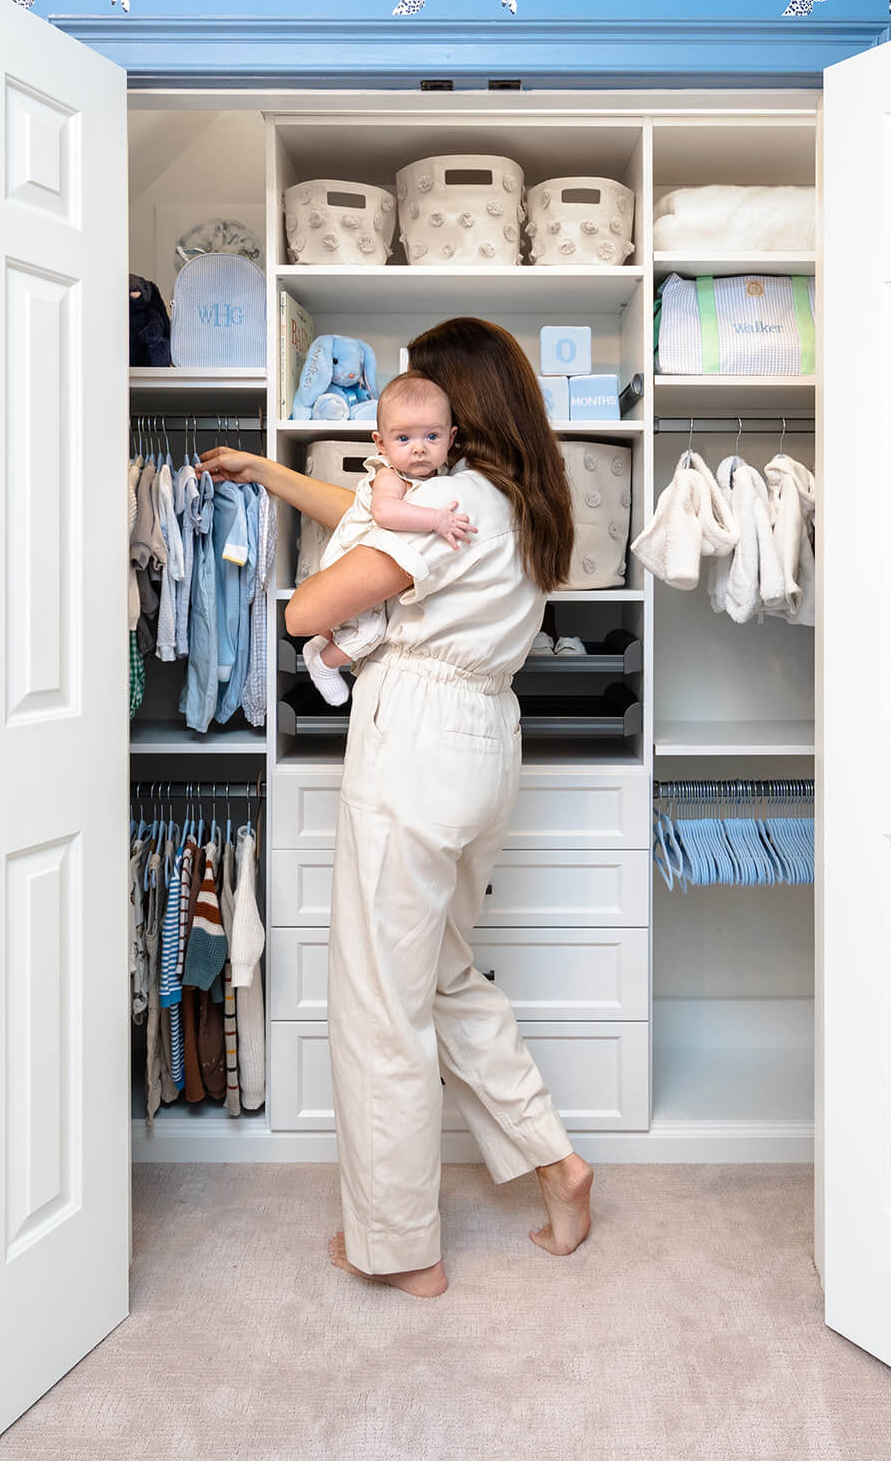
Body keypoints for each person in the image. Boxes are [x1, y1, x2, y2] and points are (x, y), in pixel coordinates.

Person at [198, 316, 594, 1298]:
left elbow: (309, 612)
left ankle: (399, 1246)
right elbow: (365, 514)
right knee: (444, 975)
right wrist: (268, 472)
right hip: (484, 743)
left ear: (458, 412)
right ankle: (555, 1161)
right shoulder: (509, 499)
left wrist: (306, 591)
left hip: (414, 738)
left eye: (423, 400)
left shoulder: (448, 498)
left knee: (379, 1004)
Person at [302, 375, 475, 706]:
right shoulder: (390, 476)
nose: (419, 447)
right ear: (381, 444)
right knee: (371, 632)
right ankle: (323, 663)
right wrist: (437, 519)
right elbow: (385, 513)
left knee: (365, 624)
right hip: (351, 560)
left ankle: (322, 644)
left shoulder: (435, 476)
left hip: (374, 560)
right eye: (404, 438)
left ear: (451, 438)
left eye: (432, 436)